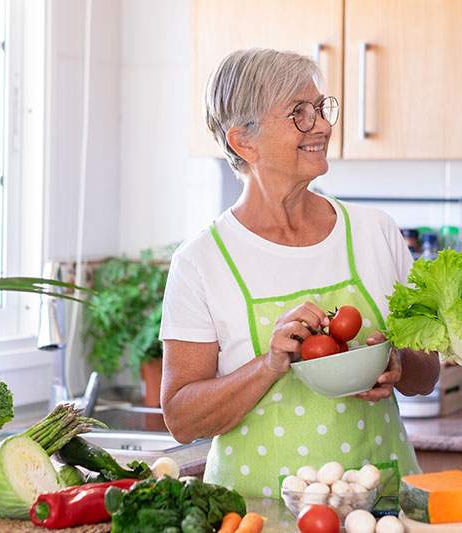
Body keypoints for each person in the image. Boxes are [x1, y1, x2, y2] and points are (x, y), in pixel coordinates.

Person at [160, 48, 440, 497]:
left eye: (321, 108)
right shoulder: (201, 261)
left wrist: (398, 364)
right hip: (256, 512)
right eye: (299, 114)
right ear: (243, 142)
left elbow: (427, 377)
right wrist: (270, 365)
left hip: (380, 507)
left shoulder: (376, 233)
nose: (324, 126)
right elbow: (181, 418)